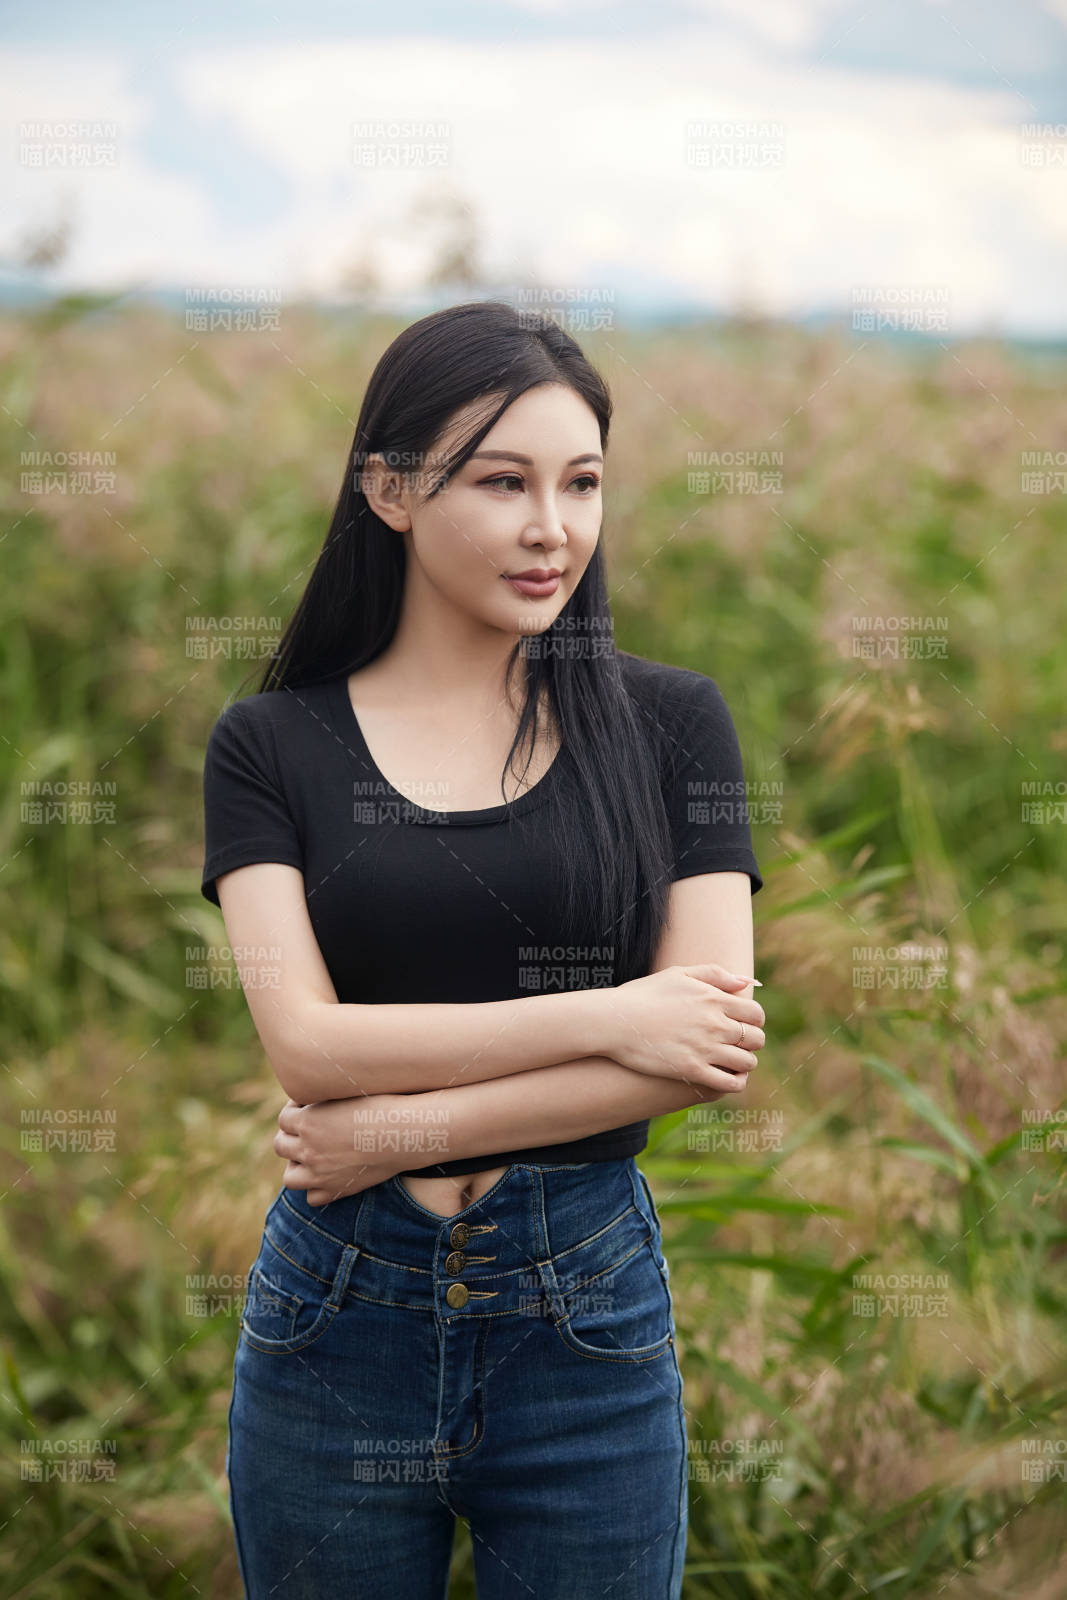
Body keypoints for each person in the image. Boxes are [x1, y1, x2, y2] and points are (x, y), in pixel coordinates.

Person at [200, 299, 766, 1599]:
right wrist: (614, 1015)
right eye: (503, 482)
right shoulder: (271, 744)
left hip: (585, 1313)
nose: (552, 526)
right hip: (337, 1314)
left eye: (583, 483)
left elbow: (706, 1047)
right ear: (390, 490)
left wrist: (396, 1133)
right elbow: (310, 1047)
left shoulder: (675, 725)